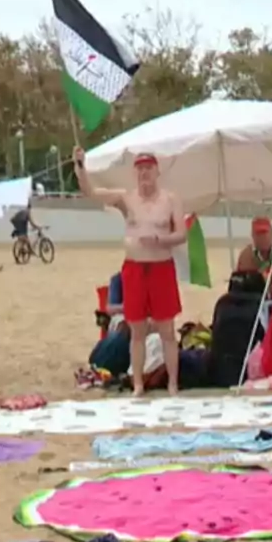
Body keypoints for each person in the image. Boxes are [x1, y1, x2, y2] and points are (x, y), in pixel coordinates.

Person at [74, 147, 187, 396]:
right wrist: (81, 167)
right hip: (135, 267)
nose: (145, 172)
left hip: (161, 265)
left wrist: (159, 238)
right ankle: (137, 384)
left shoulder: (170, 199)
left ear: (157, 171)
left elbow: (181, 234)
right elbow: (91, 193)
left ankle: (172, 383)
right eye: (140, 169)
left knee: (167, 329)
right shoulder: (127, 198)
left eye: (149, 168)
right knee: (136, 329)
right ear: (135, 173)